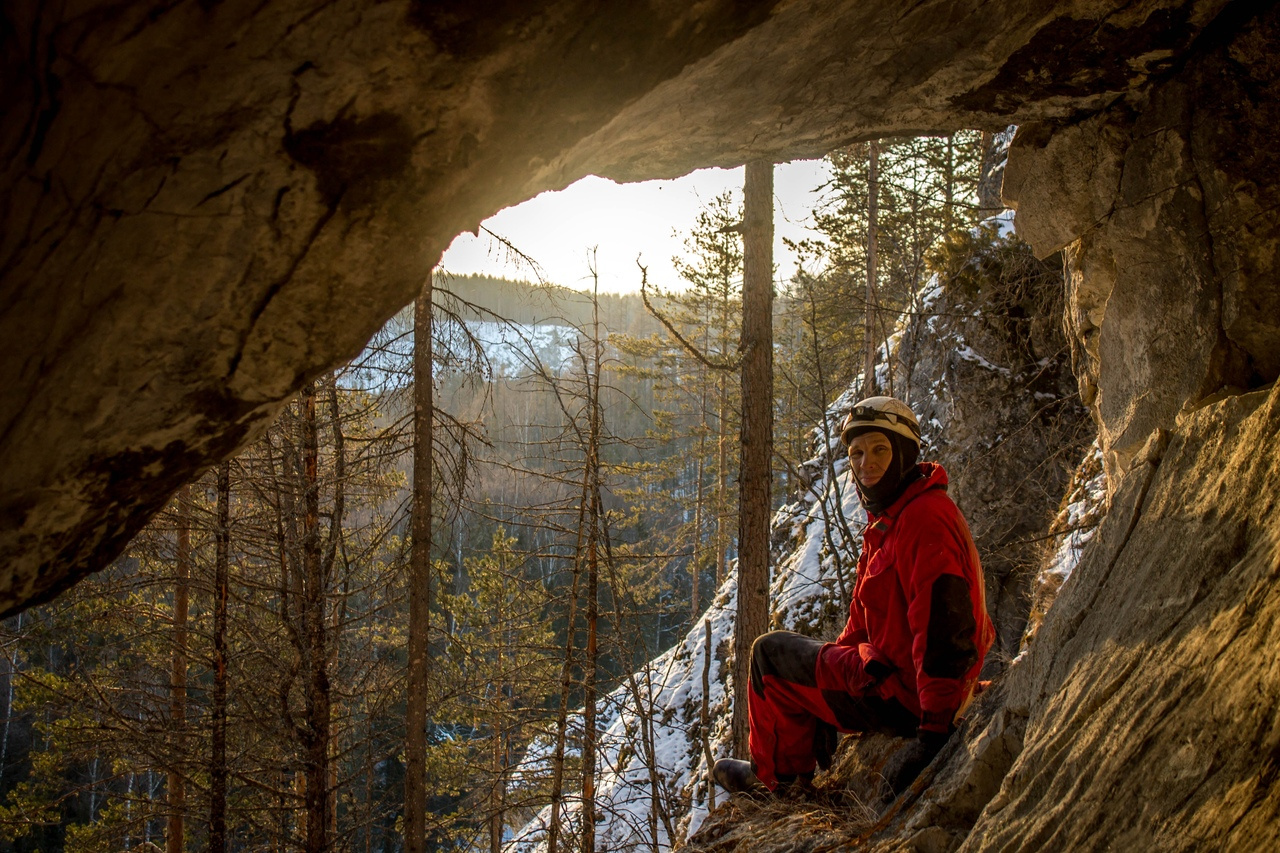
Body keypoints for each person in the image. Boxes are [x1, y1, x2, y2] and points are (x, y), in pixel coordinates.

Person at [714, 396, 994, 797]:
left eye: (880, 450)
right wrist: (824, 696)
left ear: (905, 453)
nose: (866, 464)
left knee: (768, 657)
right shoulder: (894, 518)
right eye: (857, 453)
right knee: (799, 655)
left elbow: (944, 631)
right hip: (897, 679)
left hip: (908, 696)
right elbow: (862, 624)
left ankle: (774, 780)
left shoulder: (923, 520)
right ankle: (789, 765)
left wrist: (933, 732)